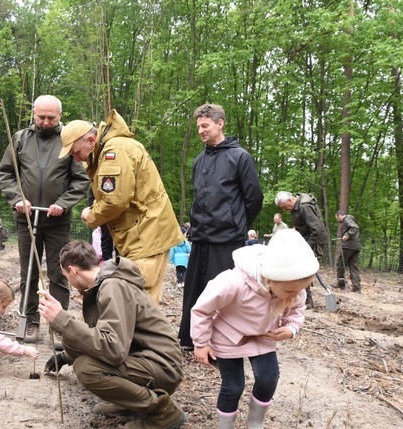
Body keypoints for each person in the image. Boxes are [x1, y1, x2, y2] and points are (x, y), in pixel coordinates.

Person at [190, 229, 318, 429]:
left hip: (262, 337)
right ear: (270, 279)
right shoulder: (234, 283)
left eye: (301, 290)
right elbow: (202, 309)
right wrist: (201, 343)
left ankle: (255, 424)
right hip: (228, 337)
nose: (295, 296)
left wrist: (291, 328)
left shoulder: (294, 289)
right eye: (290, 291)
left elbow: (298, 311)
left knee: (269, 377)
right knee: (233, 386)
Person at [39, 241, 186, 429]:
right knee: (78, 350)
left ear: (73, 271)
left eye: (66, 277)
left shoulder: (113, 286)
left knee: (86, 369)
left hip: (162, 366)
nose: (70, 285)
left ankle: (164, 411)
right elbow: (96, 334)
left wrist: (62, 319)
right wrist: (67, 355)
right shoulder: (104, 284)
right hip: (144, 358)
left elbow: (113, 349)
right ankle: (129, 399)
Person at [58, 111, 184, 303]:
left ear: (91, 140)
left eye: (76, 152)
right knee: (137, 300)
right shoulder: (109, 149)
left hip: (146, 236)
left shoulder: (114, 152)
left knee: (139, 301)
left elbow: (114, 201)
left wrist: (90, 216)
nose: (76, 159)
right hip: (140, 234)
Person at [0, 95, 89, 343]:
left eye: (51, 117)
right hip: (26, 218)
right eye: (41, 117)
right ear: (33, 114)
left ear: (60, 115)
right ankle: (30, 322)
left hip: (57, 220)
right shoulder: (20, 139)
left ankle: (60, 325)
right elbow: (5, 173)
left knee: (59, 272)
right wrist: (16, 198)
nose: (46, 122)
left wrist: (63, 203)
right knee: (29, 272)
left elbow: (81, 180)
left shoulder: (67, 140)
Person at [176, 104, 263, 350]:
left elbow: (254, 198)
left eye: (205, 126)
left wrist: (236, 223)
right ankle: (190, 339)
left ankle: (222, 343)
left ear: (220, 123)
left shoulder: (240, 157)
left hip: (227, 238)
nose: (201, 131)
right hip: (201, 236)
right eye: (198, 127)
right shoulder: (199, 160)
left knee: (223, 293)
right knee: (194, 291)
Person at [274, 191, 328, 307]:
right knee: (302, 269)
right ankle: (305, 299)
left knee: (303, 270)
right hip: (307, 238)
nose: (285, 210)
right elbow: (304, 224)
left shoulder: (304, 206)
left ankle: (307, 301)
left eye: (284, 207)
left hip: (314, 241)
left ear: (289, 200)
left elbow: (316, 228)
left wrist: (307, 246)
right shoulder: (298, 205)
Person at [333, 210, 361, 292]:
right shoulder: (350, 219)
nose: (338, 221)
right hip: (356, 246)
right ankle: (356, 288)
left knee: (340, 263)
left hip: (349, 246)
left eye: (337, 218)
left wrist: (347, 235)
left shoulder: (346, 219)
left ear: (339, 216)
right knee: (353, 267)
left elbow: (354, 227)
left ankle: (341, 283)